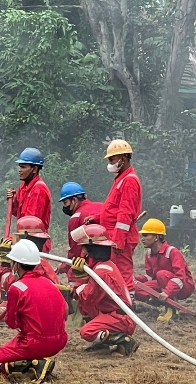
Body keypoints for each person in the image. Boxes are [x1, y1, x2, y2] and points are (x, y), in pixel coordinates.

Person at [0, 239, 68, 384]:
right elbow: (65, 311)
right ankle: (36, 362)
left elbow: (11, 322)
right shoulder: (49, 283)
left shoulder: (16, 288)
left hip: (34, 343)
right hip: (60, 340)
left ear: (16, 265)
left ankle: (34, 364)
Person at [70, 224, 138, 356]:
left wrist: (79, 280)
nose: (82, 252)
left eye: (84, 247)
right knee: (86, 308)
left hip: (121, 318)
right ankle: (104, 339)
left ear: (92, 248)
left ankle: (123, 340)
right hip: (114, 313)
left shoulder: (102, 272)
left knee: (87, 332)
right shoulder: (104, 266)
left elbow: (87, 297)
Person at [84, 139, 142, 293]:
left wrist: (118, 240)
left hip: (121, 237)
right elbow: (113, 208)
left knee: (123, 273)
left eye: (112, 159)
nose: (109, 163)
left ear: (122, 159)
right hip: (115, 236)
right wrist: (97, 217)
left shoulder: (129, 181)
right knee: (115, 271)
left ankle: (128, 306)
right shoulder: (121, 179)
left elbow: (125, 213)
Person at [0, 216, 59, 322]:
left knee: (2, 310)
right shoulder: (40, 263)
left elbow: (9, 286)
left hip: (40, 318)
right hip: (48, 315)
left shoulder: (30, 267)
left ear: (25, 238)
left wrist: (5, 263)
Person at [134, 218, 195, 322]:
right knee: (136, 289)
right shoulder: (148, 254)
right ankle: (161, 303)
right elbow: (150, 277)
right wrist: (134, 279)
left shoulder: (173, 252)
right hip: (163, 284)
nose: (142, 239)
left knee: (161, 274)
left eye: (146, 235)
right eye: (142, 235)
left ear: (156, 237)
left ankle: (172, 309)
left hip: (184, 286)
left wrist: (167, 292)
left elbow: (180, 277)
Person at [57, 182, 103, 285]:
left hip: (91, 259)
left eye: (65, 203)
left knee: (74, 276)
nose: (65, 207)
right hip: (109, 257)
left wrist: (64, 266)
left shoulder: (76, 218)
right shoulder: (101, 206)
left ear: (74, 200)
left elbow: (76, 251)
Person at [7, 148, 52, 253]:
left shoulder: (39, 189)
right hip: (24, 238)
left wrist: (13, 241)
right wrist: (13, 203)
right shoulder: (23, 186)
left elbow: (31, 225)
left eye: (23, 167)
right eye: (19, 166)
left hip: (35, 243)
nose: (19, 170)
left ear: (34, 169)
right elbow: (19, 214)